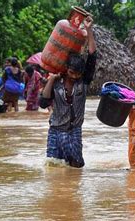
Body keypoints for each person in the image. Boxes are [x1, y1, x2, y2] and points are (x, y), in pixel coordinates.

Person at [39, 15, 97, 168]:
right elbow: (43, 103)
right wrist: (51, 80)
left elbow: (92, 57)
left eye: (78, 74)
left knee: (76, 165)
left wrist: (89, 30)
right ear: (66, 70)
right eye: (72, 73)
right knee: (53, 165)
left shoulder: (83, 83)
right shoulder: (57, 83)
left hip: (74, 131)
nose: (75, 77)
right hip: (55, 131)